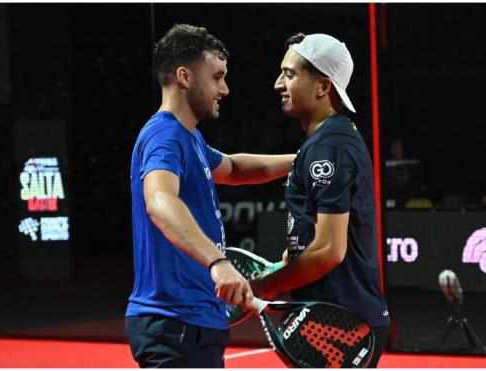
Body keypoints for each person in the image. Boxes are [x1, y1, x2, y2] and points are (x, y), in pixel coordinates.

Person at [125, 24, 295, 368]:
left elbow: (233, 168)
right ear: (184, 76)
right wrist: (218, 263)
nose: (225, 89)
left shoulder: (189, 139)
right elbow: (159, 201)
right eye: (217, 77)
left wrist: (303, 160)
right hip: (174, 324)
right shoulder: (165, 136)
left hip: (195, 322)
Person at [249, 33, 390, 367]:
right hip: (334, 316)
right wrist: (296, 255)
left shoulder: (330, 148)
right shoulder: (331, 140)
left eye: (290, 74)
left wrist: (263, 287)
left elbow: (329, 250)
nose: (277, 84)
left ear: (323, 87)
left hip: (342, 323)